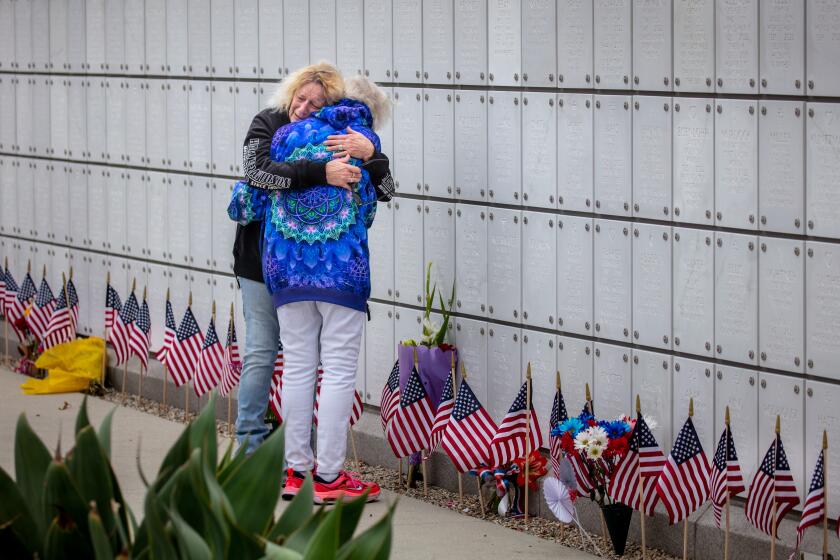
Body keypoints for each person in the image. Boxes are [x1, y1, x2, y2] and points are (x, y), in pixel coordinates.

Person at [230, 75, 392, 503]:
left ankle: (296, 473)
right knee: (337, 369)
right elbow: (378, 199)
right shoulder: (357, 137)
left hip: (284, 269)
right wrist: (370, 156)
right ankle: (330, 477)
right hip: (340, 271)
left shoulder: (283, 135)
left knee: (298, 365)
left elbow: (252, 194)